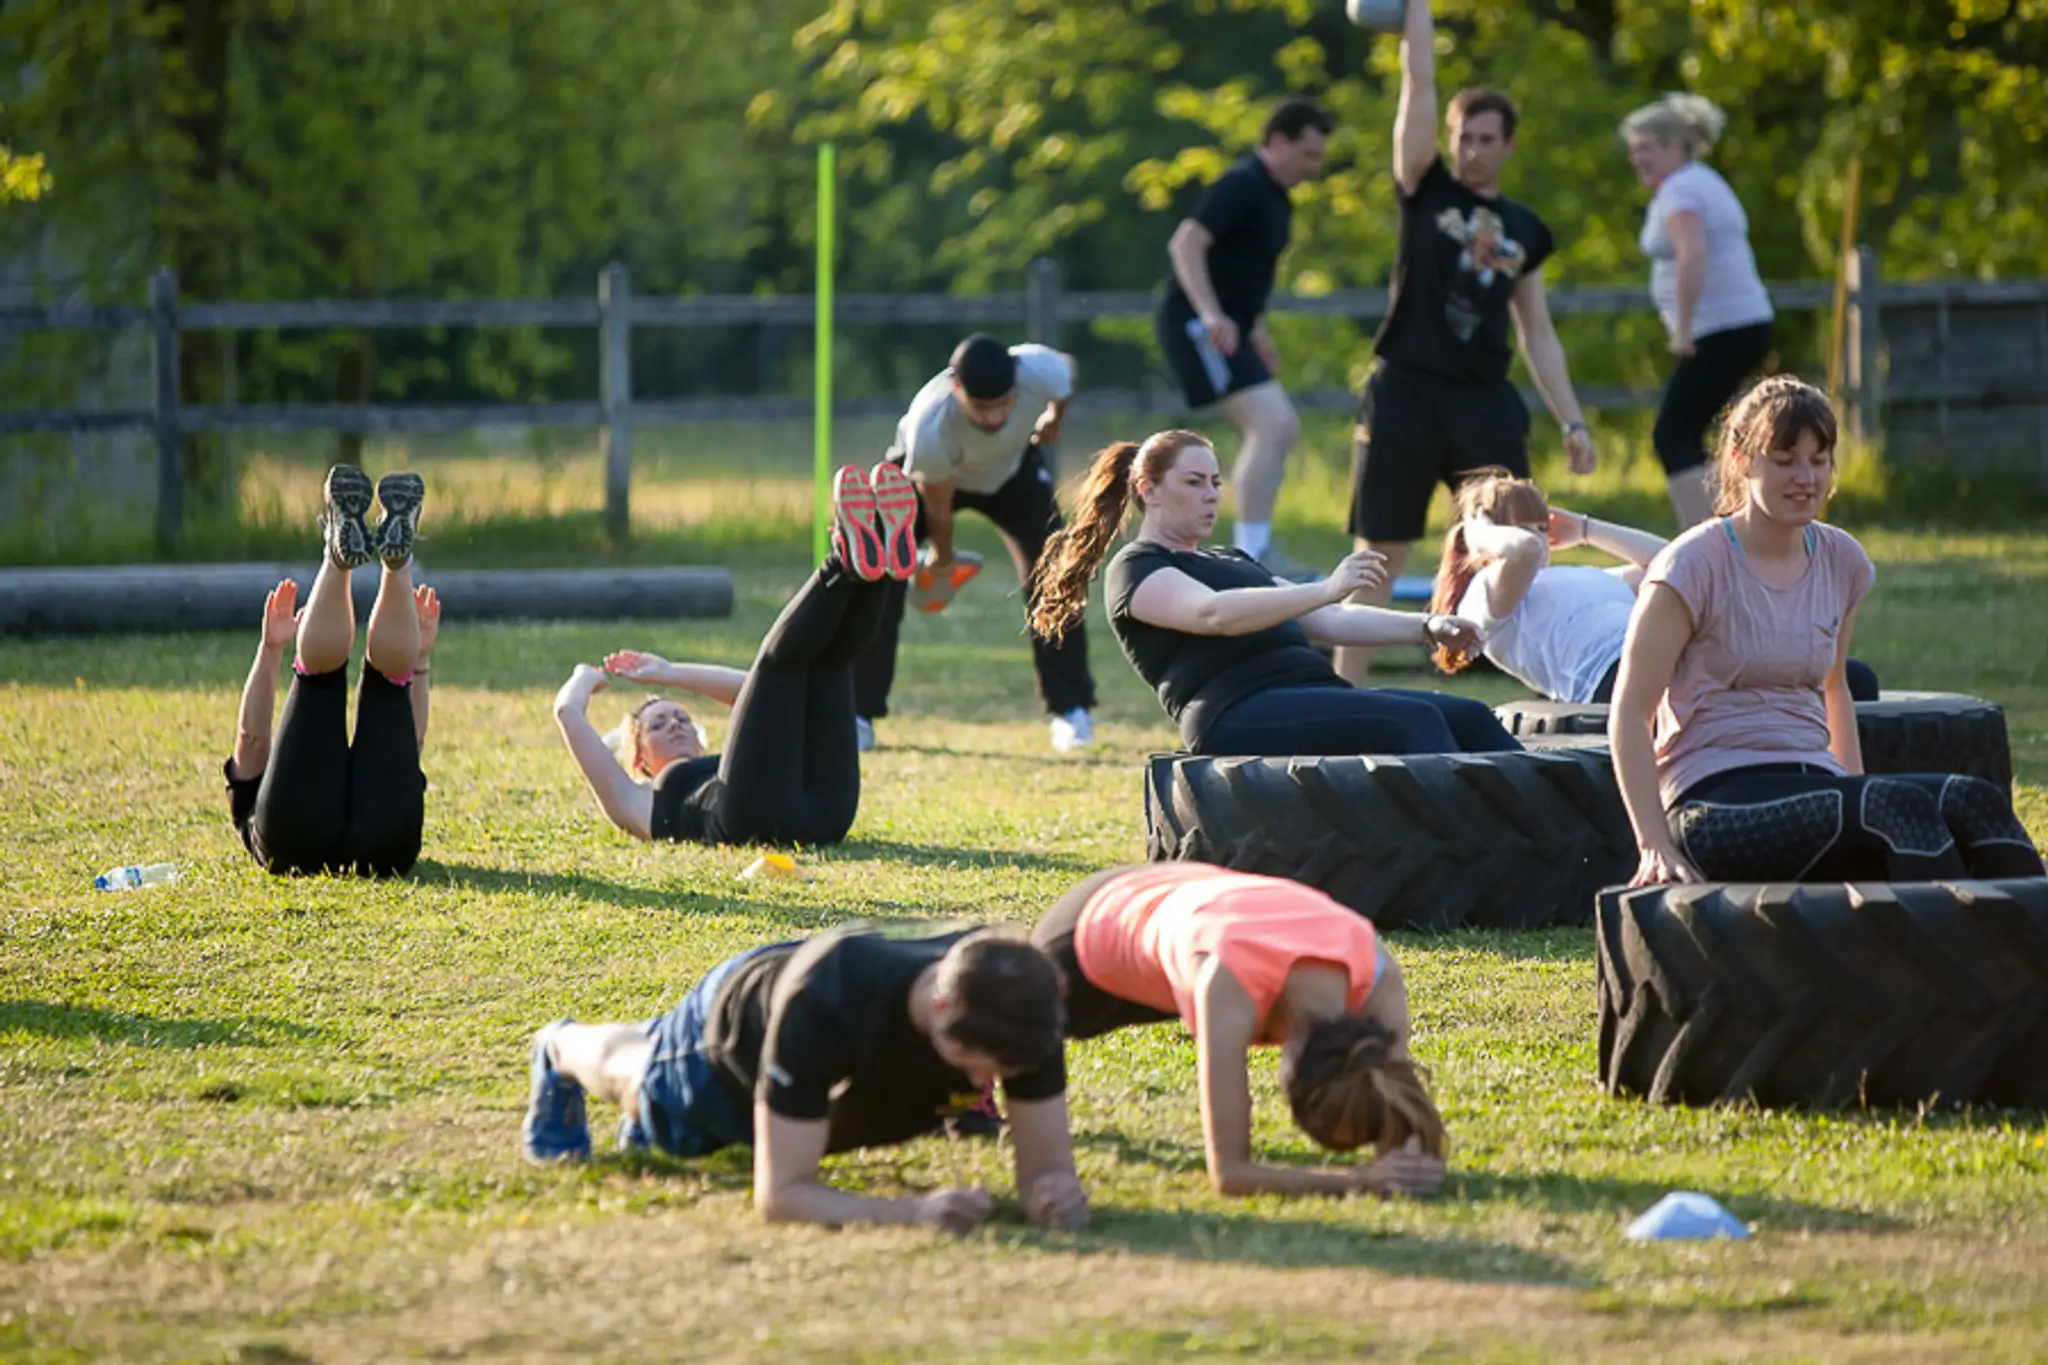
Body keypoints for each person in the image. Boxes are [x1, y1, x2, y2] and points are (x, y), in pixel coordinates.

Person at [1609, 375, 2043, 885]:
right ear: (1742, 461)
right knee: (1895, 806)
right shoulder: (1691, 565)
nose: (1806, 477)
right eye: (1786, 459)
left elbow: (1833, 685)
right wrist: (1653, 843)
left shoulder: (1842, 559)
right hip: (1714, 800)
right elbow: (1630, 714)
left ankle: (2023, 960)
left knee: (1975, 800)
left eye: (1819, 460)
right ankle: (1938, 965)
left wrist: (1856, 797)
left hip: (1815, 784)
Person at [1335, 0, 1598, 683]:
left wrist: (1572, 419)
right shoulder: (1424, 190)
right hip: (1405, 388)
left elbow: (1536, 331)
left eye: (1487, 138)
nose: (1473, 149)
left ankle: (1536, 679)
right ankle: (1343, 691)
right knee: (1381, 546)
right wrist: (1416, 12)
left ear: (1509, 144)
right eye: (1465, 137)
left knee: (1515, 537)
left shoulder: (1526, 230)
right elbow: (1417, 83)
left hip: (1483, 399)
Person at [520, 924, 1090, 1234]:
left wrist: (1054, 1191)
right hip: (737, 1026)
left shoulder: (1020, 1009)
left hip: (829, 1026)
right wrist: (910, 1213)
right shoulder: (825, 1005)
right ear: (940, 1005)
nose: (986, 1083)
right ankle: (560, 1046)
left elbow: (1046, 1168)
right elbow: (781, 1197)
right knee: (658, 1104)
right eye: (972, 1062)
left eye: (1002, 1071)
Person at [1028, 429, 1516, 757]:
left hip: (1308, 693)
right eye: (1194, 482)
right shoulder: (1137, 568)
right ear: (1148, 489)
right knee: (1413, 722)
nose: (1212, 494)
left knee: (1469, 715)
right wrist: (1325, 587)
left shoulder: (1233, 560)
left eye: (1216, 483)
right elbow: (1213, 614)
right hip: (1234, 711)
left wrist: (1428, 627)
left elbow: (1331, 620)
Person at [1030, 862, 1447, 1199]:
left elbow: (1398, 1093)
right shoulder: (1232, 985)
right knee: (1013, 1034)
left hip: (1192, 901)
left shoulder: (1377, 975)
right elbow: (1230, 1174)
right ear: (1291, 1061)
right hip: (1095, 927)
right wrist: (1358, 1182)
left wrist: (1406, 1159)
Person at [553, 463, 917, 847]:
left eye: (681, 718)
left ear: (699, 739)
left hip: (826, 815)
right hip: (758, 818)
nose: (676, 724)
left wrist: (669, 671)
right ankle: (844, 558)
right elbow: (566, 712)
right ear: (639, 758)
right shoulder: (635, 799)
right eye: (658, 726)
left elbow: (755, 696)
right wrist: (582, 677)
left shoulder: (735, 763)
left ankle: (878, 561)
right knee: (781, 667)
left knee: (831, 665)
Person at [1428, 467, 1879, 705]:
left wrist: (1585, 528)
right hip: (1619, 674)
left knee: (1855, 678)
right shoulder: (1489, 598)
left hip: (1671, 651)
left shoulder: (1580, 579)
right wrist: (1475, 532)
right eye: (1520, 528)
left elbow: (1672, 561)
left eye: (1538, 526)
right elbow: (1522, 553)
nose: (1536, 540)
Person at [849, 333, 1099, 754]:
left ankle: (1071, 709)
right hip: (929, 480)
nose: (995, 417)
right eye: (982, 408)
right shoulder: (932, 423)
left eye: (1006, 403)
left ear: (1018, 382)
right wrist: (942, 562)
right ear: (956, 389)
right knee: (881, 575)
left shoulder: (1038, 368)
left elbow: (1068, 376)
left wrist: (1055, 418)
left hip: (1010, 471)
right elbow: (939, 511)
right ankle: (858, 714)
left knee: (1058, 573)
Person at [225, 464, 437, 877]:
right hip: (386, 847)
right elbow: (408, 745)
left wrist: (272, 648)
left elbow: (253, 741)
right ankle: (374, 562)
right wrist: (420, 660)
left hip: (297, 840)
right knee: (345, 681)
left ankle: (360, 561)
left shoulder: (260, 814)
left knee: (374, 684)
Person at [1155, 95, 1333, 574]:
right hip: (1197, 325)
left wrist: (1256, 330)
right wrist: (1212, 315)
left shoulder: (1276, 197)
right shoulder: (1242, 184)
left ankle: (1253, 548)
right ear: (1277, 141)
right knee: (1272, 425)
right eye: (1308, 155)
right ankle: (1250, 555)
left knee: (1280, 427)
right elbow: (1186, 243)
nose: (1313, 167)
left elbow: (1242, 274)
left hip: (1231, 326)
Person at [1623, 94, 1776, 528]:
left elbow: (1692, 254)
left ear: (1676, 146)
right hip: (1739, 327)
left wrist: (1684, 329)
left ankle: (1709, 541)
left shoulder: (1682, 190)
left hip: (1719, 330)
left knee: (1673, 434)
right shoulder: (1700, 181)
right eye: (1634, 150)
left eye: (1646, 149)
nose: (1638, 160)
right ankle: (1731, 531)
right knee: (1715, 436)